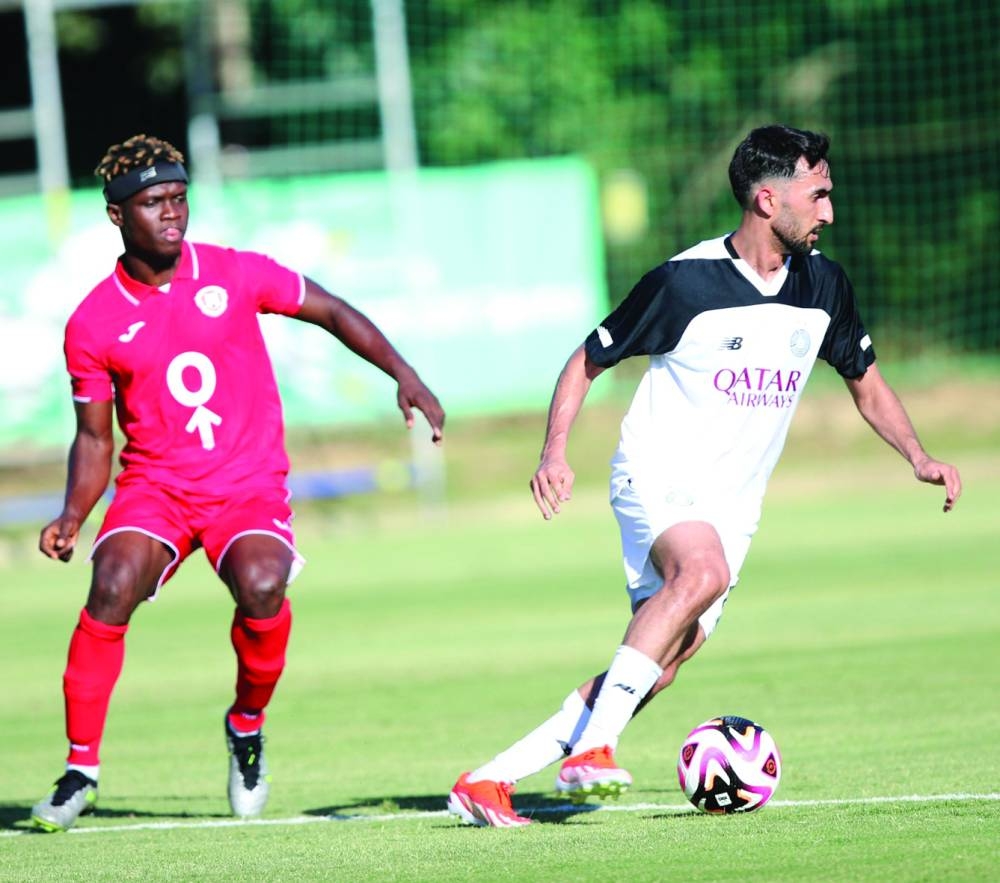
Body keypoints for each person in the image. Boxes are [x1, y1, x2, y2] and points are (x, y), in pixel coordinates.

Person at [447, 124, 961, 827]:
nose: (829, 212)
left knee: (660, 663)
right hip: (657, 472)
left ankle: (488, 780)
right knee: (703, 573)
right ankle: (592, 749)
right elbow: (586, 360)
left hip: (734, 504)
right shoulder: (684, 282)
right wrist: (554, 452)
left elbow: (867, 383)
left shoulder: (824, 285)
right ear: (764, 198)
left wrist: (918, 454)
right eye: (819, 195)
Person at [31, 134, 445, 832]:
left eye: (178, 198)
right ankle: (80, 771)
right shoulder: (92, 321)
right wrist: (74, 512)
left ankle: (246, 726)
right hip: (155, 487)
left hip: (246, 483)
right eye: (154, 202)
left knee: (261, 584)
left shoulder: (236, 272)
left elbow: (334, 310)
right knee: (109, 582)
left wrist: (402, 374)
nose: (172, 214)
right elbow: (96, 437)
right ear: (116, 215)